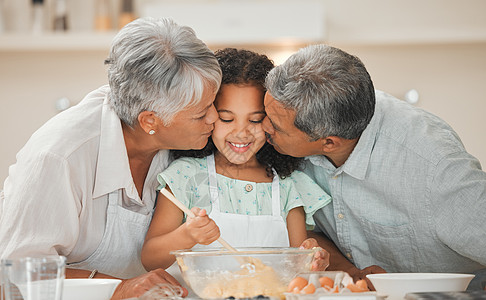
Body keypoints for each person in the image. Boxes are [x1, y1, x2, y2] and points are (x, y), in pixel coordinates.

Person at [0, 17, 222, 299]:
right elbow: (17, 276)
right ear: (149, 121)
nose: (215, 118)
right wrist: (118, 287)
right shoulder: (59, 157)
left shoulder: (178, 140)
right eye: (201, 114)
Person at [262, 44, 486, 290]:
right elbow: (310, 233)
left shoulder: (435, 167)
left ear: (329, 142)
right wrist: (350, 272)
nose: (262, 127)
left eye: (276, 126)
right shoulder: (309, 130)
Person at [141, 48, 332, 273]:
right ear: (209, 115)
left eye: (255, 120)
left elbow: (299, 267)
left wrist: (311, 256)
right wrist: (187, 235)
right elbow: (150, 259)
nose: (241, 133)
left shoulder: (288, 185)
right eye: (227, 119)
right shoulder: (188, 176)